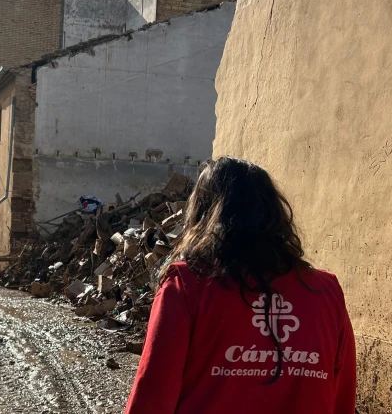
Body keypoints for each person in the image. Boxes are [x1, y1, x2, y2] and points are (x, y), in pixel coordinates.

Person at [125, 157, 356, 414]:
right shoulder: (326, 292)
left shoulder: (187, 285)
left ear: (202, 214)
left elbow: (152, 401)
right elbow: (342, 401)